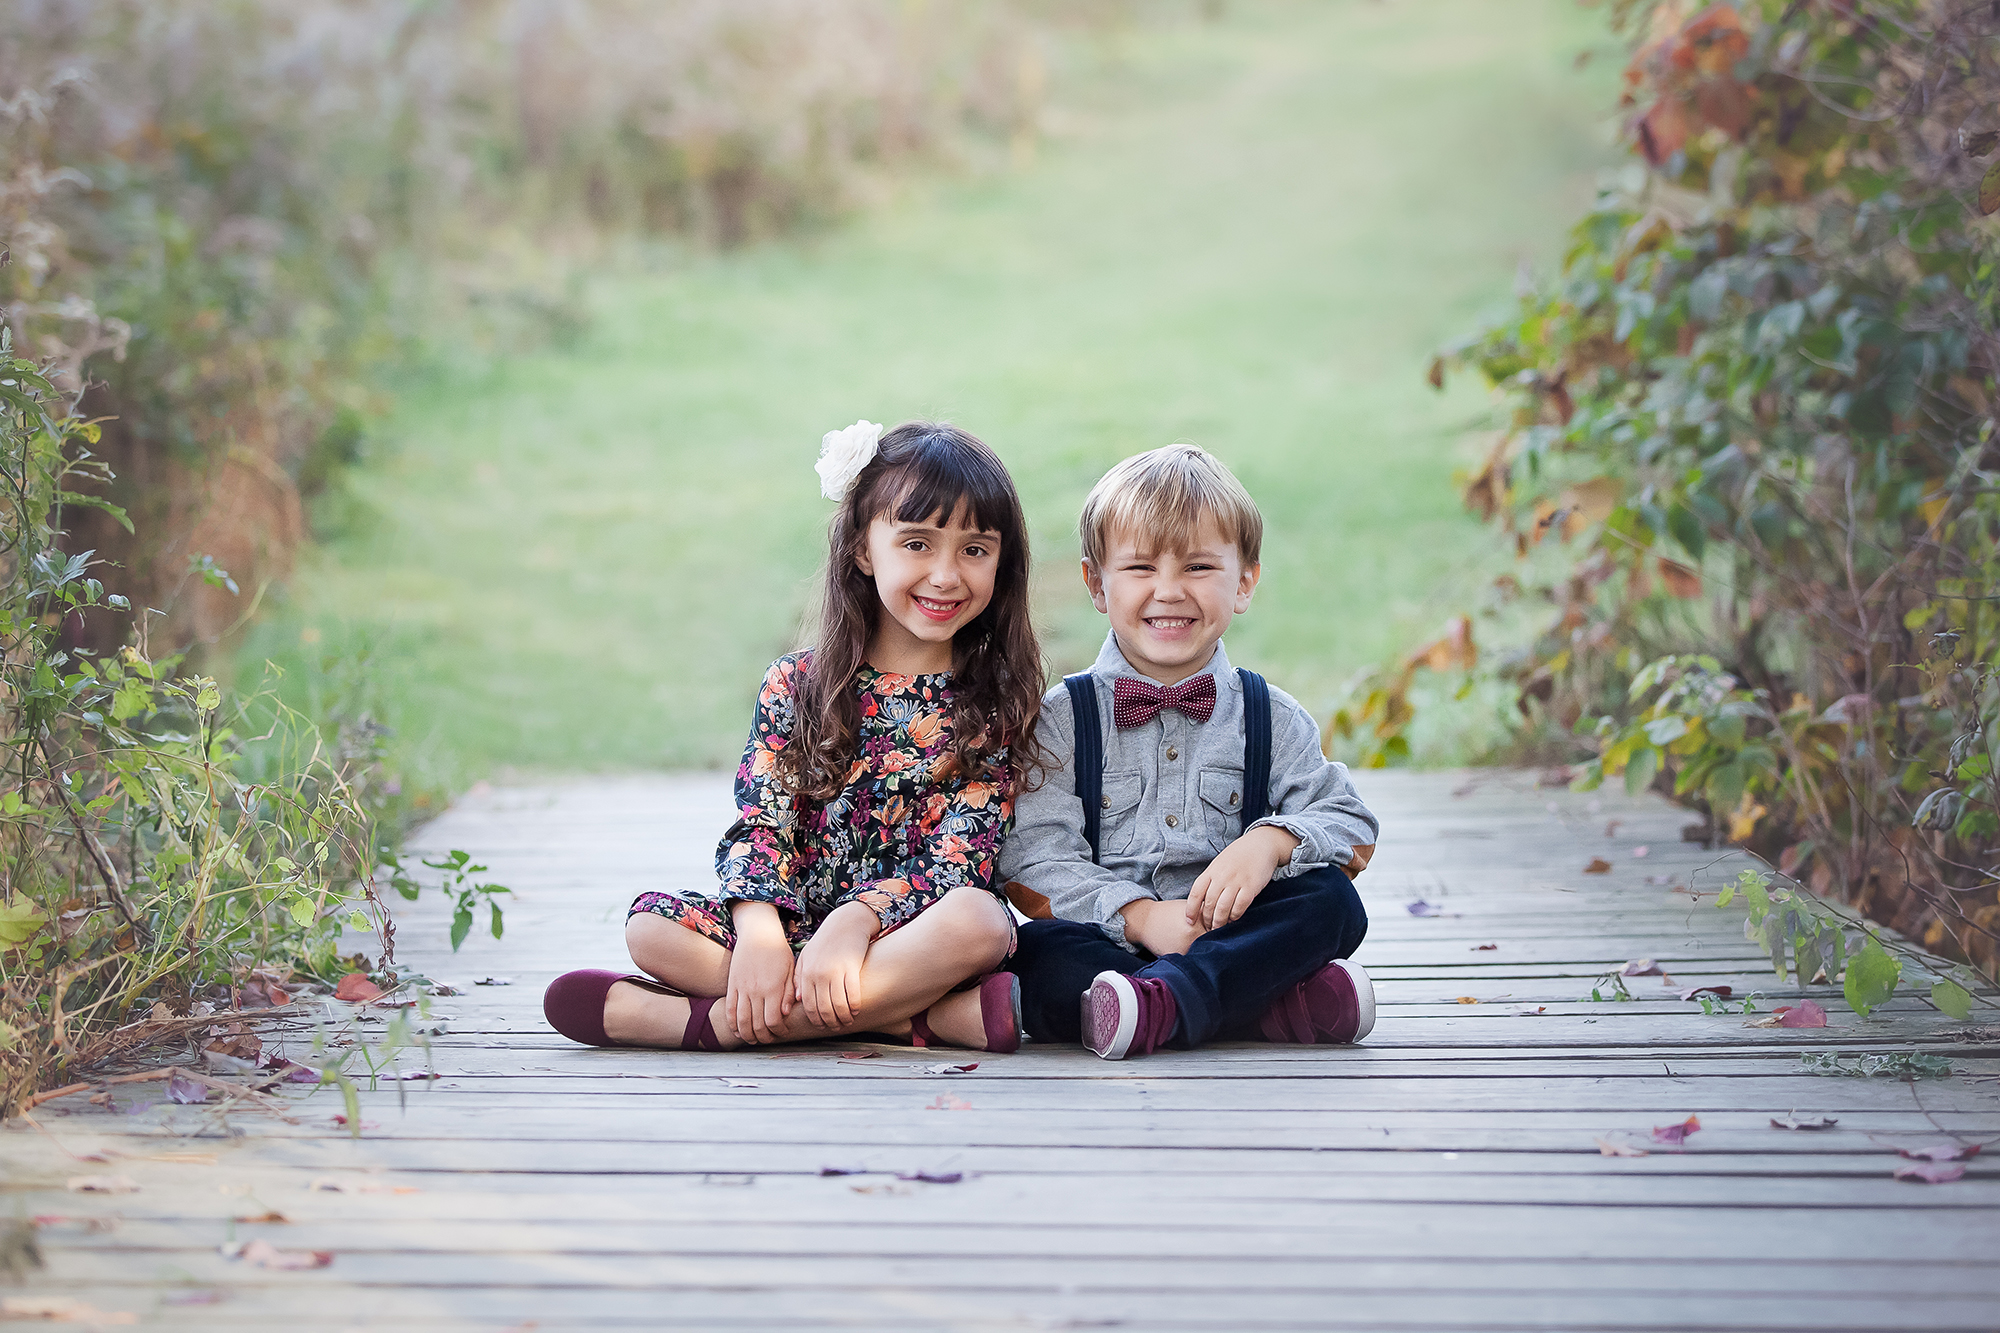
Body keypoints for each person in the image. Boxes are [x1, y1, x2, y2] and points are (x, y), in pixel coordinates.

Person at [544, 420, 1044, 1052]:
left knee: (978, 920)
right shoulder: (798, 683)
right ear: (864, 549)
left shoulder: (995, 700)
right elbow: (762, 824)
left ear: (1002, 561)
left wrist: (857, 921)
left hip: (908, 937)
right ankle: (913, 1018)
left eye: (974, 550)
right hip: (792, 934)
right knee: (650, 925)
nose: (946, 575)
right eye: (917, 544)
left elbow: (962, 858)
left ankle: (718, 1027)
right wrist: (759, 933)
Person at [1000, 443, 1377, 1060]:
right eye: (1141, 568)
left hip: (1233, 933)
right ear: (1097, 583)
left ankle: (1163, 1005)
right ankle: (1267, 1005)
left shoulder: (1270, 716)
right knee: (1038, 957)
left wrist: (1271, 841)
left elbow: (1352, 826)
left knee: (1334, 904)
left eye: (1199, 568)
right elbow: (1033, 859)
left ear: (1245, 582)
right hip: (1110, 942)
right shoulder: (1063, 721)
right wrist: (1143, 917)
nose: (1169, 591)